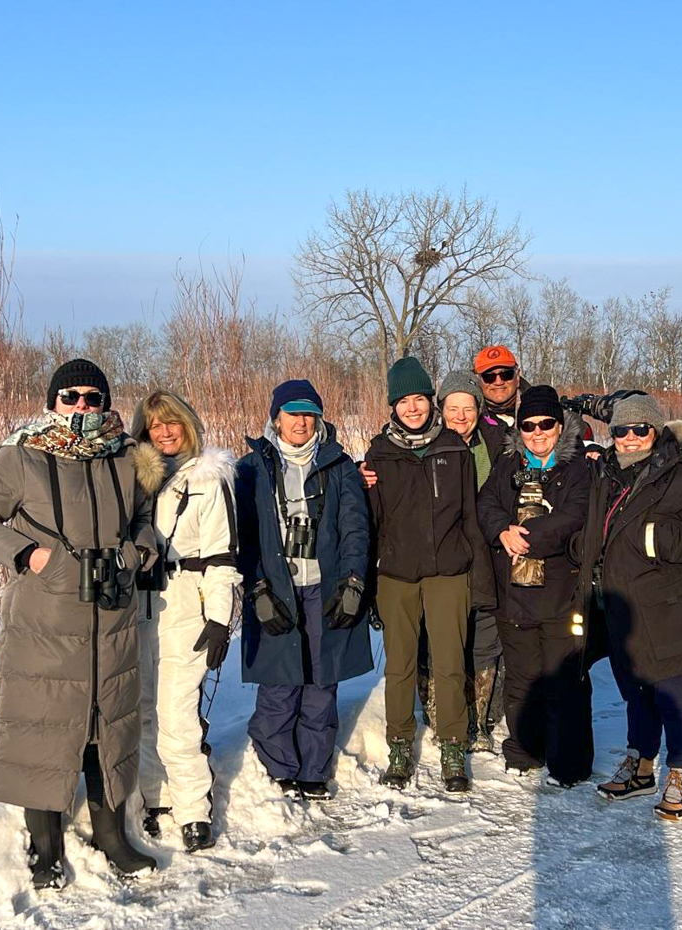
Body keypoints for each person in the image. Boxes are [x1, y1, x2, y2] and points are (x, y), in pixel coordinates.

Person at [0, 359, 161, 889]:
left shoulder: (124, 457)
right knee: (42, 730)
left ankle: (111, 835)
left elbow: (145, 521)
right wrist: (29, 555)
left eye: (93, 397)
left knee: (107, 729)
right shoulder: (22, 456)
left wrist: (138, 552)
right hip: (44, 623)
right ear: (53, 400)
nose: (81, 406)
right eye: (70, 396)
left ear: (106, 403)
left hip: (110, 619)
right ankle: (44, 845)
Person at [574, 392, 682, 821]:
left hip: (667, 607)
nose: (628, 438)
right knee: (637, 692)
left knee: (676, 695)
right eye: (620, 430)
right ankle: (641, 766)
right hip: (620, 607)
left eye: (639, 429)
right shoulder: (606, 475)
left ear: (655, 431)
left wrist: (652, 538)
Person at [236, 380, 372, 801]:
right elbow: (242, 534)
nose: (302, 421)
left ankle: (314, 767)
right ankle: (279, 764)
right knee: (280, 681)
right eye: (293, 413)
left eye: (309, 414)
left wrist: (352, 580)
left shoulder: (339, 465)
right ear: (276, 418)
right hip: (275, 588)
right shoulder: (251, 468)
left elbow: (355, 528)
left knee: (321, 678)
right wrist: (256, 586)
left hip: (323, 585)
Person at [363, 357, 494, 793]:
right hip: (397, 575)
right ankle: (399, 746)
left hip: (448, 574)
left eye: (419, 398)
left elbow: (470, 518)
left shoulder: (454, 449)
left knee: (449, 663)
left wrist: (478, 579)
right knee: (399, 666)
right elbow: (372, 523)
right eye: (404, 401)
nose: (413, 408)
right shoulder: (378, 454)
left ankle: (454, 745)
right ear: (393, 406)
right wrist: (367, 587)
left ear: (429, 402)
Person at [130, 390, 240, 852]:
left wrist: (219, 618)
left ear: (188, 425)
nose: (165, 432)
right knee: (144, 708)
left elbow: (221, 555)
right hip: (140, 608)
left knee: (177, 713)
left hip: (187, 605)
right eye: (155, 426)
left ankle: (194, 807)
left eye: (172, 422)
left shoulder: (209, 479)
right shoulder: (136, 479)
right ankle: (156, 797)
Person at [477, 386, 593, 787]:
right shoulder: (507, 462)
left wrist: (524, 536)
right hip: (514, 593)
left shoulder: (577, 466)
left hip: (561, 591)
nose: (537, 432)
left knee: (565, 681)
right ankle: (525, 749)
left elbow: (575, 515)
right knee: (522, 678)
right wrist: (500, 531)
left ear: (559, 426)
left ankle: (569, 762)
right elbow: (486, 503)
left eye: (546, 424)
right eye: (528, 425)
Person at [420, 371, 507, 752]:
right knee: (440, 637)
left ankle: (481, 719)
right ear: (441, 410)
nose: (460, 415)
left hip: (487, 555)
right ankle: (444, 717)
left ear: (478, 409)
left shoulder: (497, 444)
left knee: (485, 634)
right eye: (452, 407)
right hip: (440, 557)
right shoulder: (424, 445)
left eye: (467, 407)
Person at [473, 345, 530, 429]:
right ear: (478, 380)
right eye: (489, 376)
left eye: (506, 374)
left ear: (517, 376)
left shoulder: (540, 412)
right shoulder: (468, 418)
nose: (498, 382)